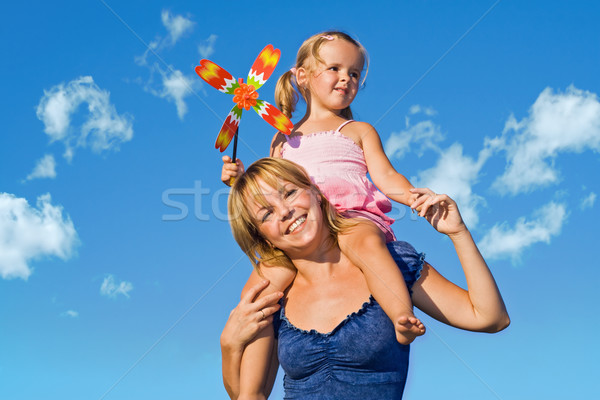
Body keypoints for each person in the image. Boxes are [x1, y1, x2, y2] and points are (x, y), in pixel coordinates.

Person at [222, 157, 509, 399]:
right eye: (267, 213)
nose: (285, 211)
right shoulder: (273, 301)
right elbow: (251, 395)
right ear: (264, 238)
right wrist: (230, 347)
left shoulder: (392, 263)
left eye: (289, 193)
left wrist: (458, 234)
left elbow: (489, 317)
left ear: (316, 194)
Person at [222, 31, 428, 347]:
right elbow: (270, 190)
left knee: (367, 246)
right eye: (334, 68)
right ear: (302, 76)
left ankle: (401, 317)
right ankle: (250, 389)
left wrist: (414, 196)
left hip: (351, 220)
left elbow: (386, 176)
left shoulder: (357, 130)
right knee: (260, 291)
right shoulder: (282, 139)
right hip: (304, 233)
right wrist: (239, 179)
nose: (346, 78)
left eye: (354, 73)